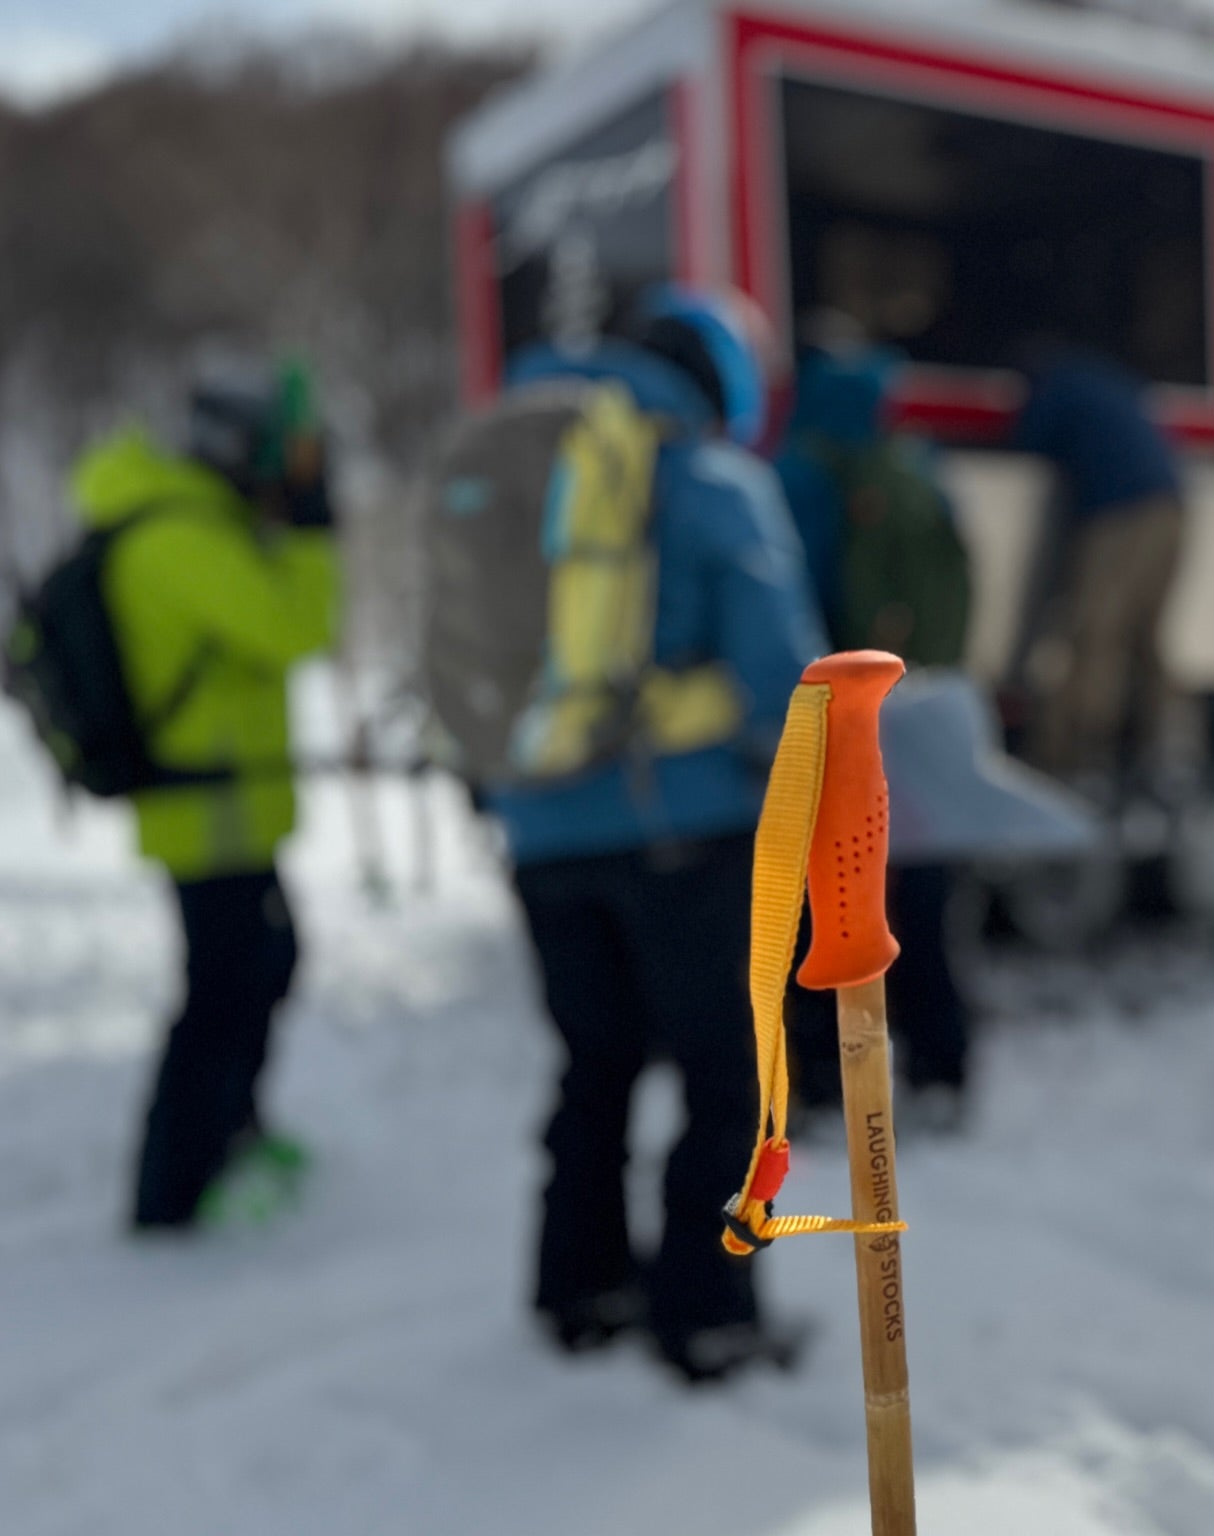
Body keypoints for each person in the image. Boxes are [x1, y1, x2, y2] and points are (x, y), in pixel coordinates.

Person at [484, 286, 828, 1384]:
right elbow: (784, 677)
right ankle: (707, 1312)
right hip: (681, 834)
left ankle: (579, 1288)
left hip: (541, 838)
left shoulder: (517, 475)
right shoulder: (713, 480)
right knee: (729, 1081)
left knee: (596, 1065)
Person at [83, 359, 340, 1231]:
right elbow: (296, 627)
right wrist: (312, 522)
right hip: (206, 812)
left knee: (266, 965)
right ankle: (172, 1193)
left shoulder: (197, 522)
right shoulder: (178, 537)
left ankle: (233, 1134)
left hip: (232, 806)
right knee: (220, 994)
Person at [774, 327, 974, 1130]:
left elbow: (794, 597)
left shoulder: (801, 470)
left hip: (836, 719)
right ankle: (944, 1066)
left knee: (824, 905)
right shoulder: (915, 466)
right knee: (920, 900)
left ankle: (822, 1079)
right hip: (917, 713)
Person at [1008, 339, 1187, 783]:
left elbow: (1029, 438)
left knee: (1095, 631)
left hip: (1121, 513)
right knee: (1144, 633)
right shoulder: (1102, 380)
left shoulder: (1055, 388)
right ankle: (1165, 746)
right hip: (1173, 508)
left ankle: (1076, 751)